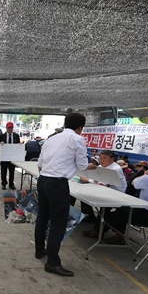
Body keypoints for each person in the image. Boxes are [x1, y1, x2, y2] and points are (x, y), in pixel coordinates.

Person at [35, 113, 96, 277]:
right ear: (80, 127)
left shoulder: (52, 138)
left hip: (43, 180)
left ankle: (40, 249)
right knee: (58, 222)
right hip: (57, 183)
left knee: (42, 216)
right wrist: (93, 165)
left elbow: (40, 163)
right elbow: (82, 165)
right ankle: (53, 263)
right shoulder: (77, 139)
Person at [0, 122, 20, 190]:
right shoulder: (2, 136)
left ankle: (11, 184)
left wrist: (19, 145)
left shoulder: (16, 136)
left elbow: (18, 145)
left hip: (12, 156)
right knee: (3, 171)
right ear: (6, 128)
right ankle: (4, 183)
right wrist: (0, 143)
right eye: (9, 128)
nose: (10, 129)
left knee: (12, 171)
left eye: (11, 128)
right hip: (4, 156)